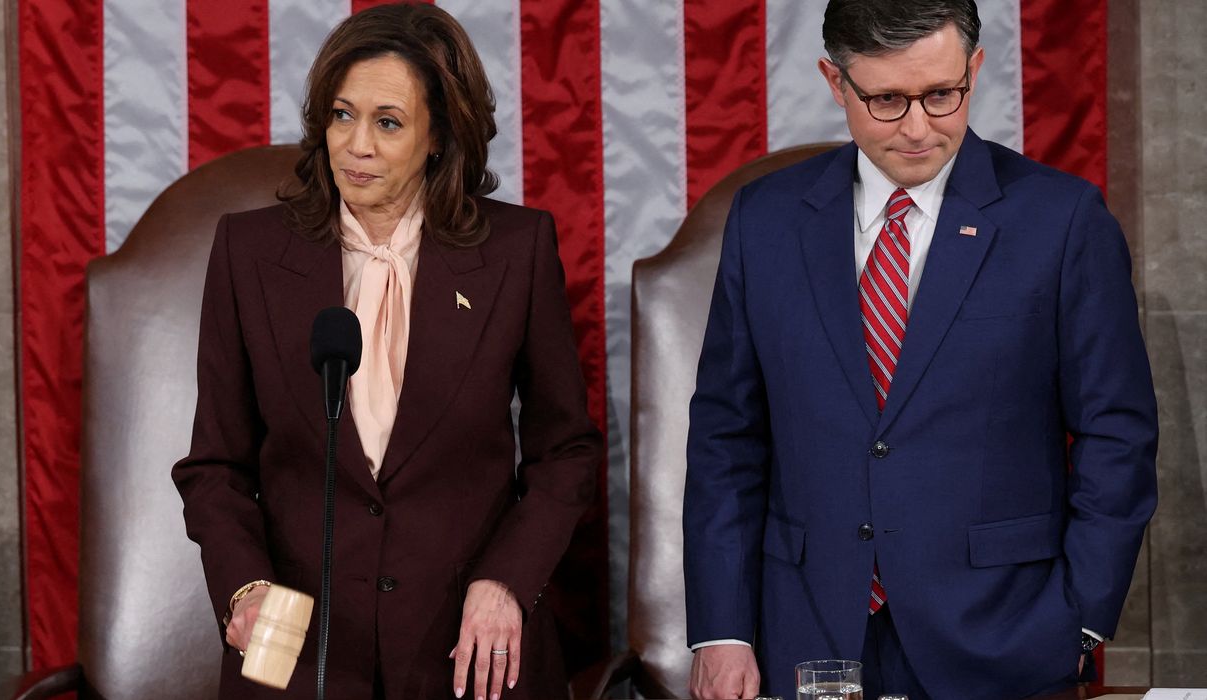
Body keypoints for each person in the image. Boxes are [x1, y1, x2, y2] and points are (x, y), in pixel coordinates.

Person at [682, 1, 1158, 698]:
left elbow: (1116, 432)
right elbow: (726, 438)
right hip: (805, 636)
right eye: (884, 99)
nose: (916, 127)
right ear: (833, 81)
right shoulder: (766, 221)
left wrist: (1079, 620)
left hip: (1003, 636)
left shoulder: (1061, 222)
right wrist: (723, 630)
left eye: (941, 94)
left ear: (973, 69)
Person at [172, 4, 601, 699]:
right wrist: (245, 588)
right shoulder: (249, 252)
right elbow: (214, 465)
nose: (356, 145)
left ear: (439, 135)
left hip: (468, 652)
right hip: (301, 654)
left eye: (388, 122)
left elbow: (565, 453)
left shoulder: (514, 252)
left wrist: (506, 583)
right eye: (342, 116)